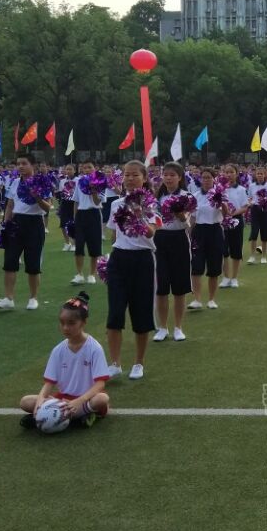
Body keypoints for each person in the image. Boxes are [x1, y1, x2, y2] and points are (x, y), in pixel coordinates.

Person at [19, 291, 111, 429]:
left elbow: (100, 384)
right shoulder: (58, 350)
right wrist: (40, 401)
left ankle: (52, 418)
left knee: (102, 399)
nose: (65, 328)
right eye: (62, 323)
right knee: (25, 402)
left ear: (84, 322)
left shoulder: (94, 348)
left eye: (71, 323)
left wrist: (79, 401)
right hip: (63, 400)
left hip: (87, 398)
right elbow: (49, 383)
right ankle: (74, 417)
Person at [105, 160, 157, 379]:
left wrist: (138, 213)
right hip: (119, 259)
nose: (130, 179)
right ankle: (115, 363)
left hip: (142, 260)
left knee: (141, 313)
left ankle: (139, 363)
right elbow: (114, 234)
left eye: (135, 175)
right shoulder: (116, 204)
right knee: (115, 313)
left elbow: (151, 232)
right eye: (126, 175)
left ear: (144, 178)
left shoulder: (151, 204)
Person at [0, 153, 53, 311]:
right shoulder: (15, 182)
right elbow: (10, 205)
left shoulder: (42, 182)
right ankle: (8, 298)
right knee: (9, 262)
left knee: (33, 264)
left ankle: (33, 298)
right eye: (18, 163)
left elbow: (48, 208)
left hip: (34, 224)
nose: (20, 166)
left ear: (33, 165)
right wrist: (5, 225)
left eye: (24, 163)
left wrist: (37, 197)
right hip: (16, 223)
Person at [153, 162, 194, 340]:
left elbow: (186, 222)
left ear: (179, 177)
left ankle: (178, 327)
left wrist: (179, 213)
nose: (168, 178)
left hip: (179, 240)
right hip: (159, 240)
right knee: (161, 287)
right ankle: (162, 327)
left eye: (172, 175)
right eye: (166, 174)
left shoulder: (187, 196)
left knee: (179, 287)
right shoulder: (156, 197)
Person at [187, 168, 225, 311]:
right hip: (199, 231)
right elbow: (192, 217)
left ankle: (211, 299)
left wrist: (222, 202)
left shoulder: (220, 194)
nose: (206, 180)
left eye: (209, 177)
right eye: (204, 177)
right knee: (196, 266)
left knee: (214, 267)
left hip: (215, 230)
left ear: (214, 179)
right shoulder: (195, 196)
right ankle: (197, 299)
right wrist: (189, 234)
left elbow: (226, 213)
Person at [71, 161, 104, 286]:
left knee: (94, 245)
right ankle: (79, 274)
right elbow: (76, 201)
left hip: (94, 214)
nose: (87, 169)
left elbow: (97, 202)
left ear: (95, 168)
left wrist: (94, 189)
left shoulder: (101, 182)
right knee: (79, 245)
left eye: (90, 167)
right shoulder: (79, 182)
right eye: (84, 167)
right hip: (81, 215)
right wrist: (75, 219)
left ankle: (92, 274)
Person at [220, 164, 248, 288]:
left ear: (236, 174)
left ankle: (234, 278)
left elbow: (245, 207)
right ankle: (226, 277)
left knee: (236, 250)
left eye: (231, 172)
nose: (229, 175)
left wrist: (232, 213)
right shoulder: (219, 189)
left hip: (236, 221)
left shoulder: (241, 189)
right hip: (221, 222)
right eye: (226, 172)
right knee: (223, 250)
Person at [247, 167, 267, 265]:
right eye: (258, 174)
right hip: (255, 210)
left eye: (261, 174)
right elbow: (249, 197)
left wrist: (266, 201)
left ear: (264, 175)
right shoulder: (251, 186)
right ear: (255, 175)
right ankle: (252, 256)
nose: (260, 175)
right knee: (254, 233)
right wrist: (250, 203)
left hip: (265, 211)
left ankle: (264, 256)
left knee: (264, 233)